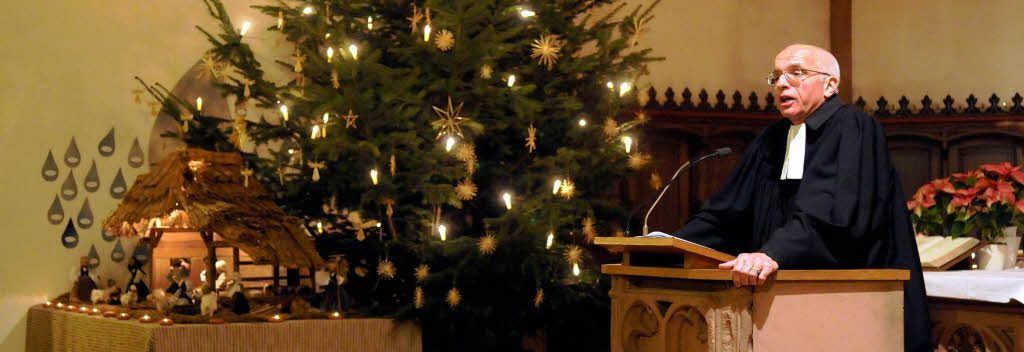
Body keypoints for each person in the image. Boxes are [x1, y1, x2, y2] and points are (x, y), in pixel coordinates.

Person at [671, 44, 930, 351]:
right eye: (777, 76)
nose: (782, 83)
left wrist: (773, 253)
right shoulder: (773, 138)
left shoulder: (854, 127)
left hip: (852, 305)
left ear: (831, 84)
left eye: (796, 73)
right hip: (779, 304)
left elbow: (833, 216)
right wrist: (671, 247)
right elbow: (726, 214)